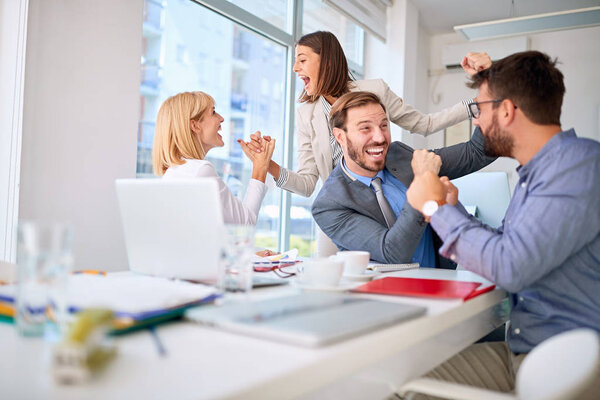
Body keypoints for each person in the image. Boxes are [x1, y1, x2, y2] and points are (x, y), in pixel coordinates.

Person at [405, 51, 600, 398]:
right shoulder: (541, 173)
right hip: (524, 351)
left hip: (563, 364)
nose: (477, 122)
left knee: (402, 387)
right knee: (399, 377)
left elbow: (509, 265)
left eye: (480, 110)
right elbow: (509, 244)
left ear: (507, 110)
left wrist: (434, 208)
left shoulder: (577, 166)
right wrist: (454, 208)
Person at [248, 31, 491, 198]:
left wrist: (476, 105)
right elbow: (307, 184)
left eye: (302, 60)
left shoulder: (375, 90)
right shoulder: (306, 115)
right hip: (343, 207)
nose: (295, 68)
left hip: (384, 193)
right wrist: (267, 165)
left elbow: (423, 124)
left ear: (328, 62)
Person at [311, 91, 495, 266]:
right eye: (365, 128)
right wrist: (423, 181)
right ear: (340, 136)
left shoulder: (399, 155)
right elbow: (393, 253)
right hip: (388, 294)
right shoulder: (330, 204)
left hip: (439, 283)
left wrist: (490, 96)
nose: (380, 137)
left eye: (384, 125)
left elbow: (476, 154)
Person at [152, 91, 275, 226]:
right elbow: (245, 225)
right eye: (213, 112)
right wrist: (260, 166)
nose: (221, 118)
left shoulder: (175, 172)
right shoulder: (201, 171)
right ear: (195, 126)